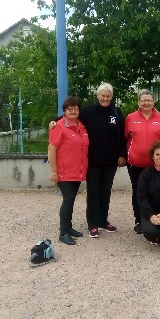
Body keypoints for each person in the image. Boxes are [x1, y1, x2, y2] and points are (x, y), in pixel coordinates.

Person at [78, 83, 127, 238]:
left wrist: (122, 154)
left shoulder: (116, 112)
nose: (105, 98)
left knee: (105, 191)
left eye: (108, 96)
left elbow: (122, 136)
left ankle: (103, 221)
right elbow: (69, 116)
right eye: (102, 95)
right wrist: (54, 121)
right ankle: (92, 224)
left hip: (111, 160)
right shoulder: (87, 112)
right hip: (93, 160)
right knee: (93, 191)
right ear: (98, 96)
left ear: (111, 97)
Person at [48, 96, 89, 245]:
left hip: (77, 172)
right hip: (64, 172)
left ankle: (69, 227)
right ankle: (63, 232)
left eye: (76, 108)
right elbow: (52, 148)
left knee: (71, 201)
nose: (73, 110)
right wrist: (54, 171)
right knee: (68, 200)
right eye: (70, 108)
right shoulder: (59, 126)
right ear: (65, 111)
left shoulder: (82, 126)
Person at [125, 89, 160, 234]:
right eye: (143, 100)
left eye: (149, 100)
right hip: (135, 164)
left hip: (155, 164)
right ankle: (138, 220)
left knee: (155, 192)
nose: (146, 103)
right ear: (139, 102)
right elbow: (125, 138)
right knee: (138, 192)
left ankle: (153, 218)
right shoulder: (131, 118)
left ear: (153, 102)